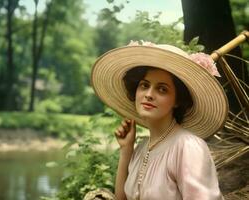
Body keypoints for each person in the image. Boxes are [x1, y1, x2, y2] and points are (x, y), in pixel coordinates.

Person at [91, 41, 228, 200]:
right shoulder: (142, 147)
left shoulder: (187, 147)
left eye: (162, 89)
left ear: (177, 100)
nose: (149, 94)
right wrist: (126, 150)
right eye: (144, 85)